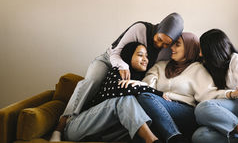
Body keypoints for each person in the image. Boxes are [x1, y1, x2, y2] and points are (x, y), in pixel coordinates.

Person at [50, 12, 184, 141]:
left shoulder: (166, 50)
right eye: (159, 39)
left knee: (131, 102)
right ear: (159, 28)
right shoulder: (140, 29)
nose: (160, 45)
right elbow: (116, 53)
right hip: (110, 60)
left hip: (132, 71)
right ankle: (60, 128)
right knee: (93, 81)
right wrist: (126, 69)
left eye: (166, 44)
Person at [136, 32, 228, 143]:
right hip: (158, 107)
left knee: (146, 98)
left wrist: (230, 94)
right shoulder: (160, 66)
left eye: (177, 45)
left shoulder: (197, 69)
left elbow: (208, 95)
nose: (172, 48)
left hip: (185, 112)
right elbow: (146, 88)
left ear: (189, 48)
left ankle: (175, 137)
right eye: (172, 44)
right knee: (143, 111)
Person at [63, 42, 162, 143]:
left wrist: (141, 84)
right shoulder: (116, 72)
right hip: (75, 128)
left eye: (146, 56)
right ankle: (152, 140)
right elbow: (123, 90)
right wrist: (157, 92)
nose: (145, 59)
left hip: (102, 136)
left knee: (141, 107)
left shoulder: (138, 80)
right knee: (126, 99)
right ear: (129, 55)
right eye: (140, 55)